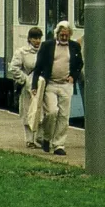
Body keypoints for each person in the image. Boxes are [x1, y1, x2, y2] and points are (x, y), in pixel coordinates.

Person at [31, 21, 83, 156]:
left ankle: (59, 144)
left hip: (66, 85)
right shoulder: (47, 45)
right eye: (62, 35)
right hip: (51, 84)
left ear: (70, 35)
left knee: (64, 116)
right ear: (57, 34)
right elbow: (38, 67)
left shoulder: (75, 46)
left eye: (66, 35)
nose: (64, 38)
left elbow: (79, 64)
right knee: (52, 112)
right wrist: (34, 85)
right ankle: (46, 137)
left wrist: (73, 77)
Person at [9, 27, 44, 148]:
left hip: (42, 86)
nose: (37, 41)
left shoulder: (44, 51)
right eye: (34, 38)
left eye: (39, 38)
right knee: (27, 111)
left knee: (41, 111)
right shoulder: (22, 52)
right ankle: (29, 140)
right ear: (29, 39)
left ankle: (39, 138)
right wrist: (25, 80)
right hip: (27, 88)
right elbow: (13, 68)